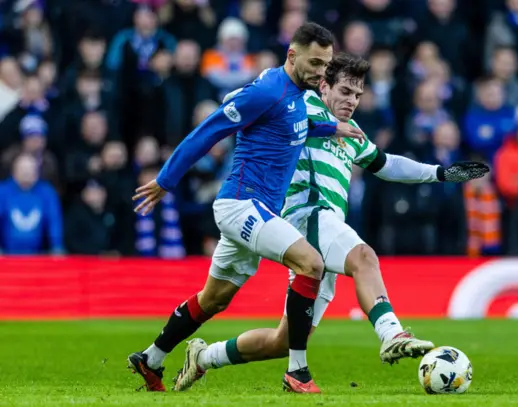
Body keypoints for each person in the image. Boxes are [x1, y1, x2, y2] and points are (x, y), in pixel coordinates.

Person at [172, 53, 489, 392]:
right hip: (306, 215)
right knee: (365, 257)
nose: (351, 100)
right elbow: (242, 102)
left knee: (284, 341)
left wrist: (438, 173)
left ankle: (204, 357)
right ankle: (392, 334)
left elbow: (386, 164)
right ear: (323, 85)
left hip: (324, 230)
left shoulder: (351, 131)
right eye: (345, 91)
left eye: (357, 94)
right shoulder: (300, 105)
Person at [127, 22, 365, 394]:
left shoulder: (295, 95)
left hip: (259, 212)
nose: (322, 73)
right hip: (241, 205)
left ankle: (151, 358)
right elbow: (208, 130)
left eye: (326, 65)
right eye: (315, 63)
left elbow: (296, 126)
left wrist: (331, 128)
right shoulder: (267, 91)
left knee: (214, 299)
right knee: (312, 264)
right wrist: (165, 180)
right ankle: (297, 372)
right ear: (292, 55)